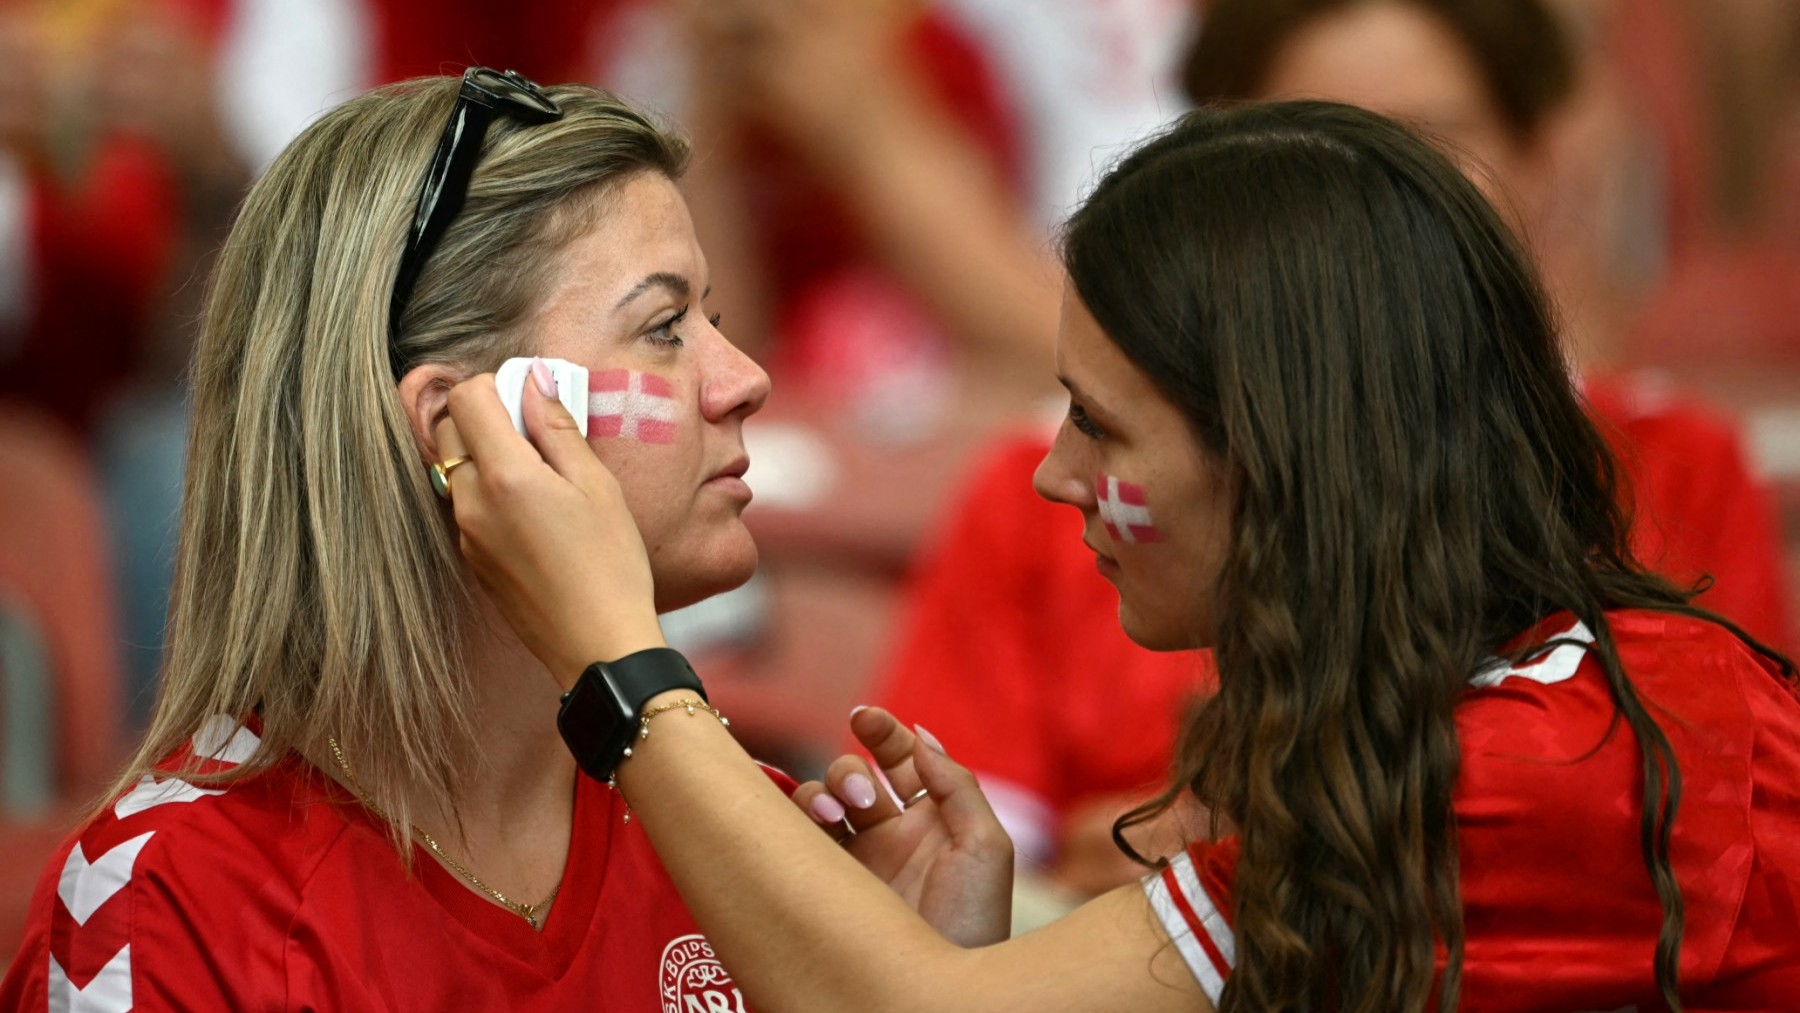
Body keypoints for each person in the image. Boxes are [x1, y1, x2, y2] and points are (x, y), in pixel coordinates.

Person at [440, 100, 1800, 1011]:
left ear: (1278, 454)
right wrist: (955, 950)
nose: (1054, 475)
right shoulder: (1463, 725)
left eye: (1101, 424)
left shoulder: (1543, 764)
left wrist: (618, 660)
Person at [863, 0, 1797, 900]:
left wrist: (1255, 861)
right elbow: (955, 893)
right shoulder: (1052, 487)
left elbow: (1707, 852)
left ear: (1549, 157)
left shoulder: (1661, 514)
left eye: (1428, 146)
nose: (1369, 218)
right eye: (1317, 153)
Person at [0, 69, 803, 1010]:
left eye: (714, 319)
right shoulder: (168, 902)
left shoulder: (755, 834)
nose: (744, 378)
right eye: (664, 327)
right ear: (458, 423)